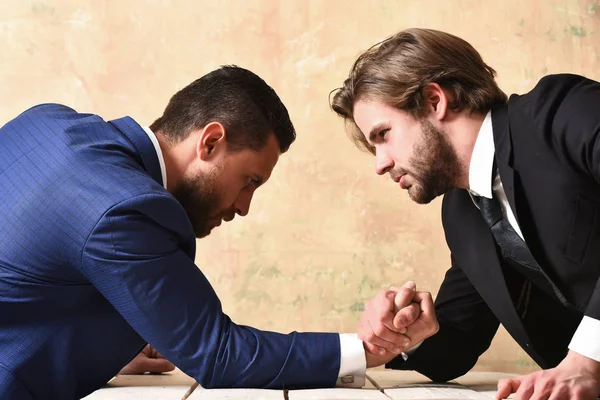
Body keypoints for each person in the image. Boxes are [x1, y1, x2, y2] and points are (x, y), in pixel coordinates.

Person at [0, 65, 406, 400]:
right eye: (250, 180)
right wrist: (365, 349)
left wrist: (107, 346)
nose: (244, 207)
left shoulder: (45, 123)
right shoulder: (125, 208)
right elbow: (217, 354)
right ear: (210, 142)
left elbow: (30, 278)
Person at [331, 28, 600, 400]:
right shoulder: (463, 211)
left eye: (383, 134)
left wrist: (586, 361)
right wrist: (412, 333)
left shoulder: (564, 112)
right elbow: (454, 352)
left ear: (434, 100)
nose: (381, 164)